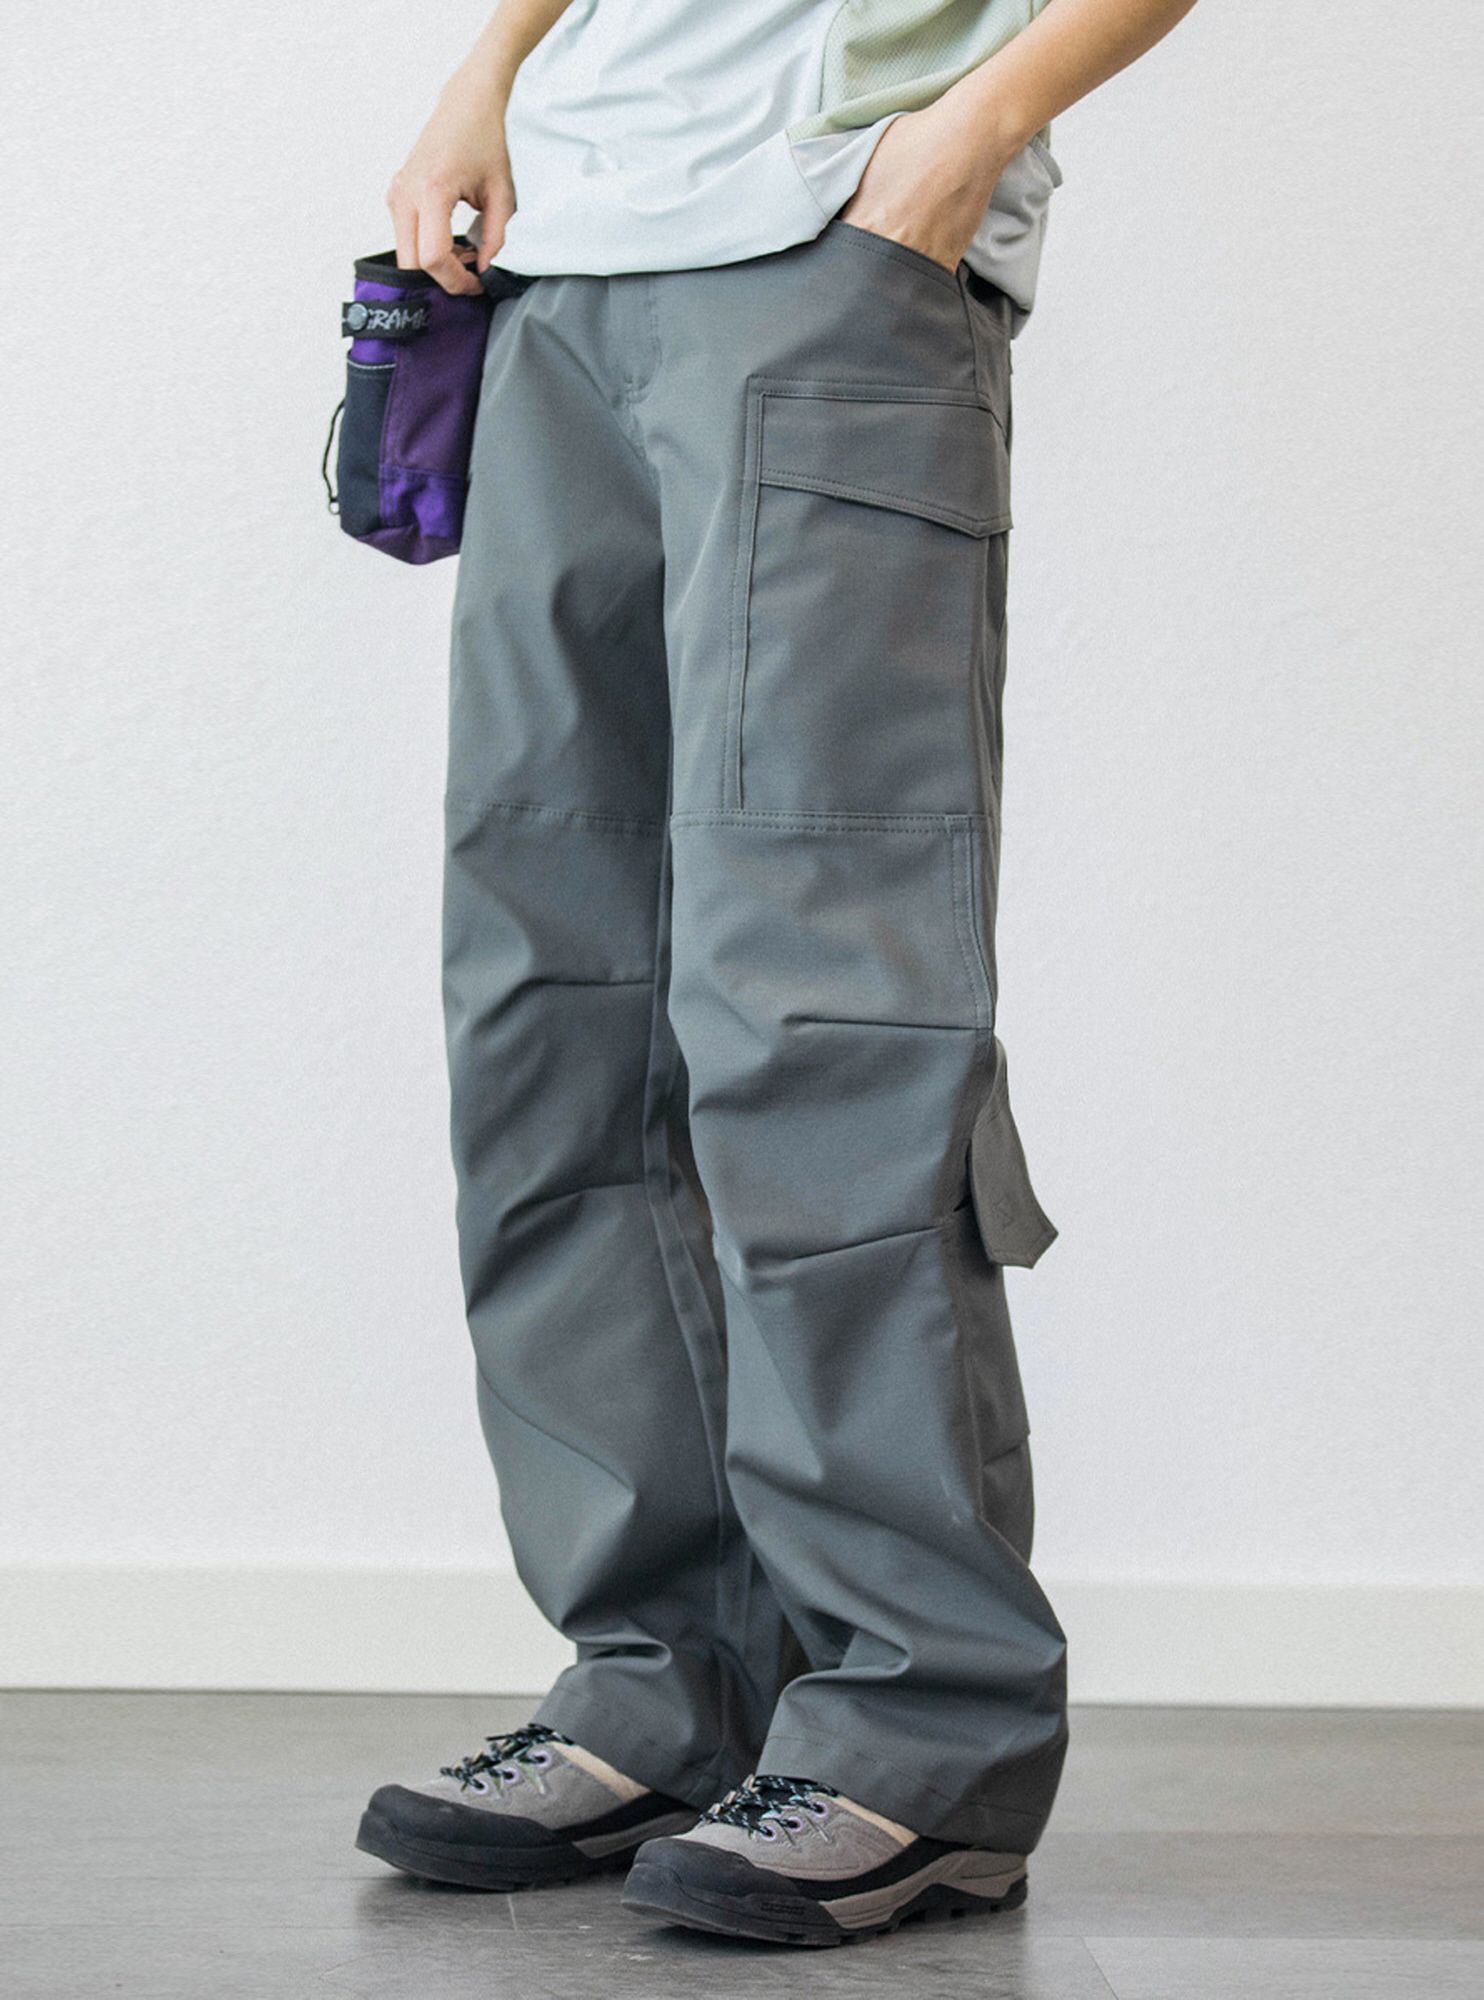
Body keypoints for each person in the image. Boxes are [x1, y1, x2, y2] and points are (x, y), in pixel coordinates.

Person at [355, 0, 1199, 1949]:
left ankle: (925, 1727)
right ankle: (672, 1677)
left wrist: (973, 129)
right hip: (563, 267)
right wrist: (488, 76)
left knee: (820, 1016)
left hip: (831, 246)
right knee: (554, 1001)